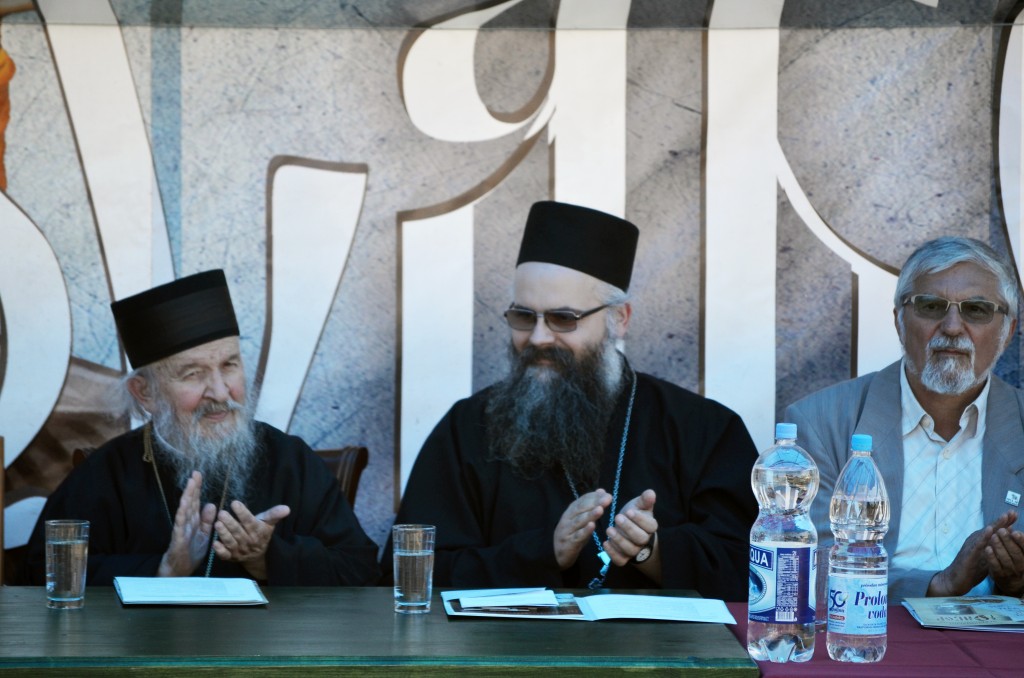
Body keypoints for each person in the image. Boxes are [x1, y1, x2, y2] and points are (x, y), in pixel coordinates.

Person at [385, 201, 758, 601]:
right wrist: (543, 553)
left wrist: (653, 552)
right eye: (524, 317)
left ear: (619, 319)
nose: (539, 338)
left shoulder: (703, 428)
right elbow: (409, 571)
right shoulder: (469, 426)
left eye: (563, 318)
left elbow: (756, 570)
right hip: (503, 644)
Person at [25, 270, 380, 586]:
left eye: (229, 366)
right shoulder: (108, 473)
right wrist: (164, 570)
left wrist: (268, 558)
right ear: (145, 393)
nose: (221, 393)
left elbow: (361, 570)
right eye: (193, 374)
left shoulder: (290, 460)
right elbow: (42, 574)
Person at [786, 236, 1024, 601]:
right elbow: (809, 567)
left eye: (976, 310)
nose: (952, 327)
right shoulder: (820, 423)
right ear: (899, 320)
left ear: (1007, 332)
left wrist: (1016, 582)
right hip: (873, 629)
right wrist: (938, 585)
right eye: (931, 306)